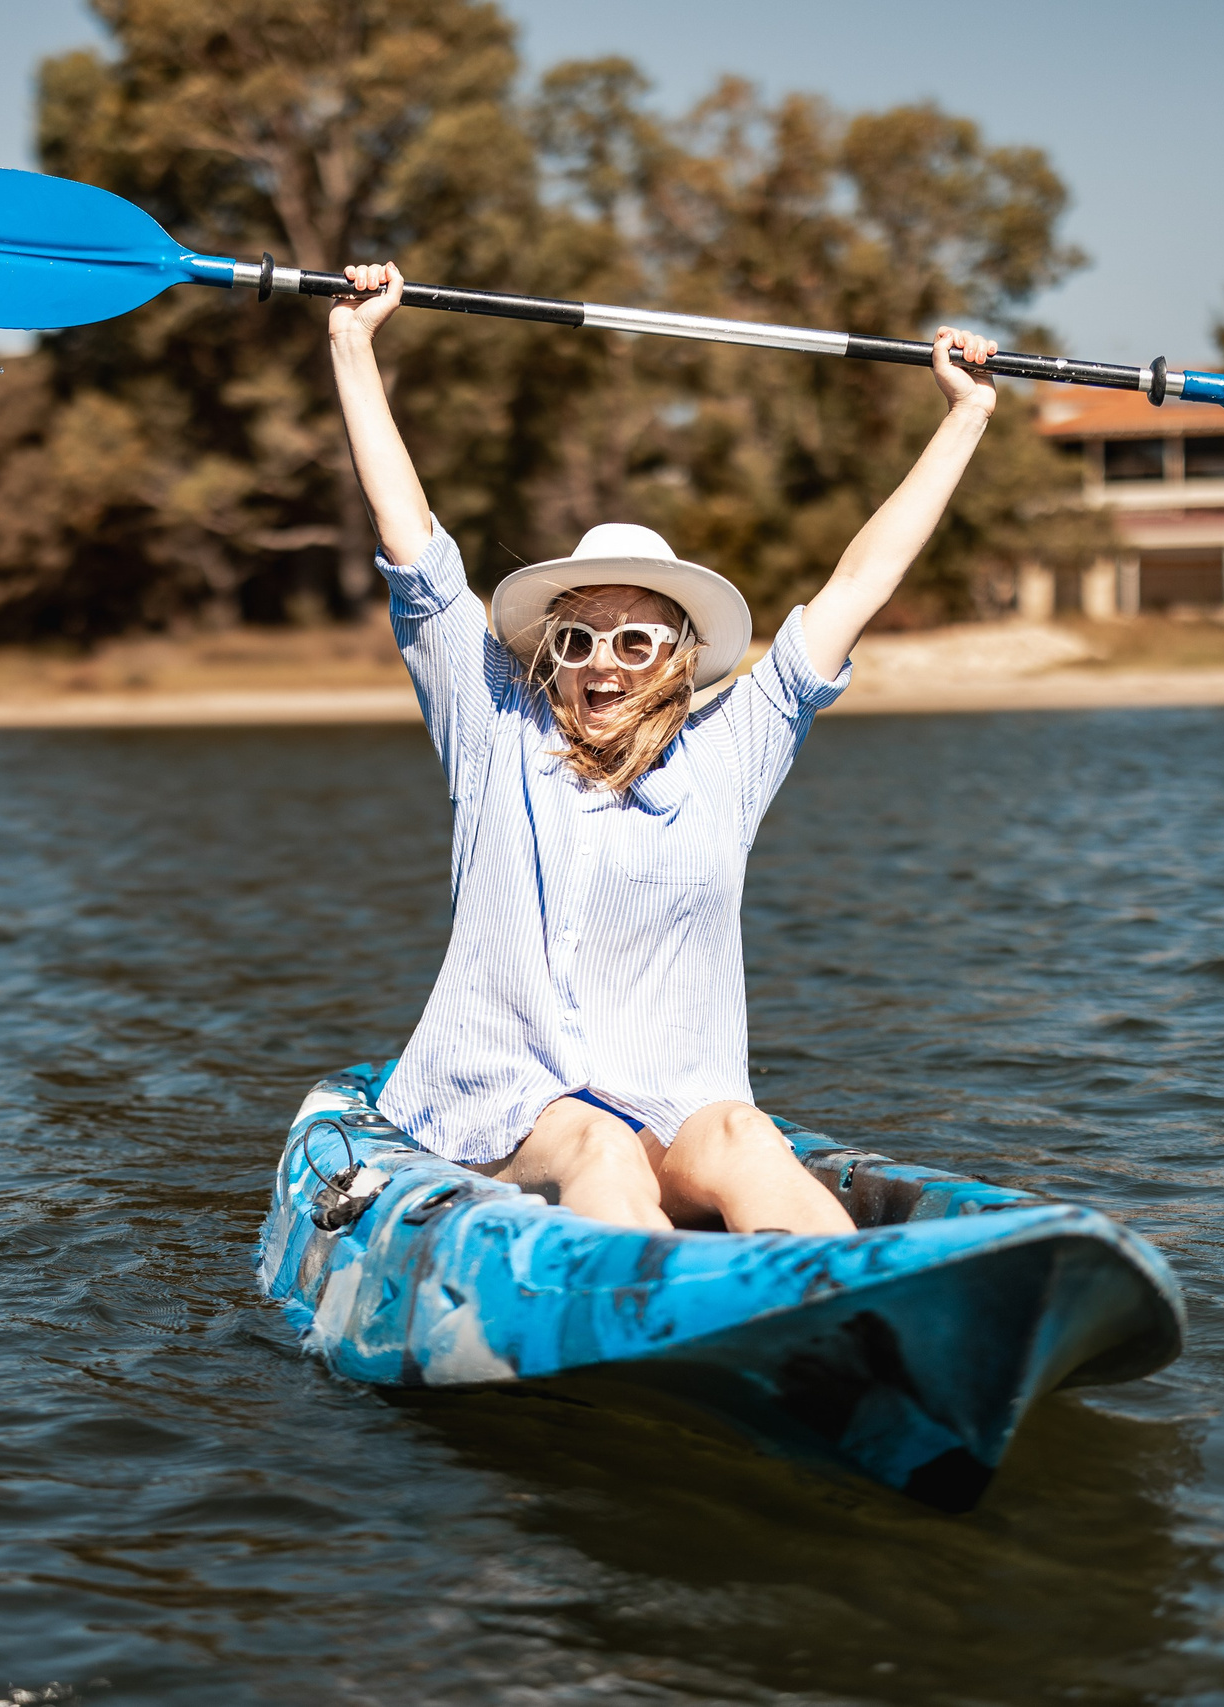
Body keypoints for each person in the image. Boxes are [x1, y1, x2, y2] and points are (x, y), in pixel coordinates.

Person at [329, 260, 1002, 1236]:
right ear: (547, 654)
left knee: (743, 1136)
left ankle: (852, 1317)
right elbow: (415, 546)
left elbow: (860, 583)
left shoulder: (734, 745)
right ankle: (647, 1326)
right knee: (596, 1150)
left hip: (671, 1106)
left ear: (678, 661)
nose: (602, 662)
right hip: (497, 1111)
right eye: (578, 636)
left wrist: (965, 416)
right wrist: (355, 344)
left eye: (634, 639)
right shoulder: (493, 719)